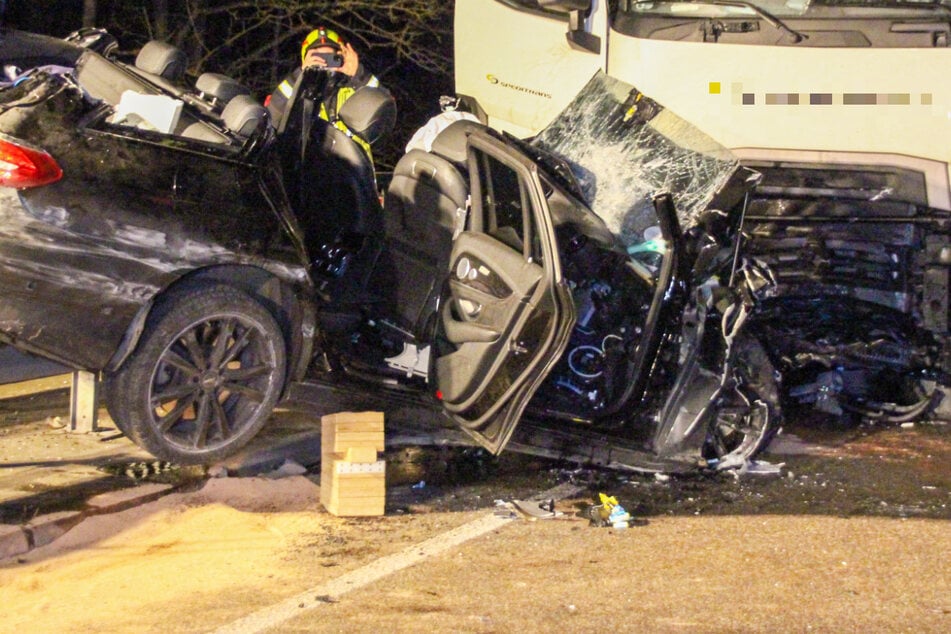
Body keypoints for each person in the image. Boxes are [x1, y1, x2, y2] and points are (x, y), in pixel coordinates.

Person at [265, 26, 385, 160]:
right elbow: (272, 118)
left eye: (331, 57)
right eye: (318, 57)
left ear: (341, 58)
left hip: (355, 176)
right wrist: (301, 76)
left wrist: (359, 75)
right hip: (309, 176)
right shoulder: (298, 98)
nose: (325, 64)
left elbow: (384, 110)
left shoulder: (355, 91)